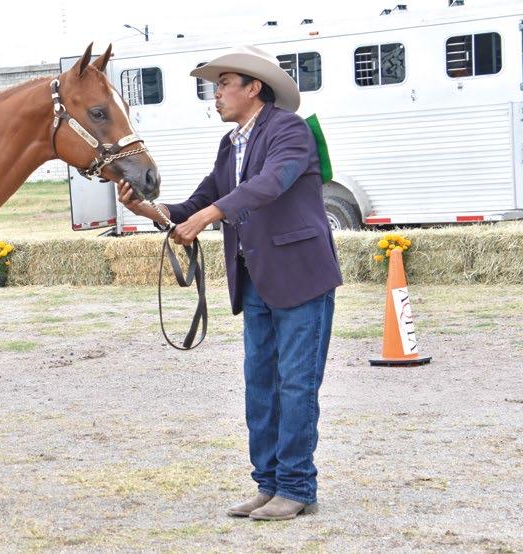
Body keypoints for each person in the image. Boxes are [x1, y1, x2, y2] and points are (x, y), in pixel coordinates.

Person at [117, 45, 342, 521]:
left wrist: (208, 216)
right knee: (260, 385)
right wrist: (147, 209)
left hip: (301, 277)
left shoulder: (290, 131)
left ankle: (297, 487)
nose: (215, 94)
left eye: (222, 85)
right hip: (256, 280)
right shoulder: (230, 145)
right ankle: (269, 484)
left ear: (253, 87)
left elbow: (269, 184)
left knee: (296, 384)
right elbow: (197, 202)